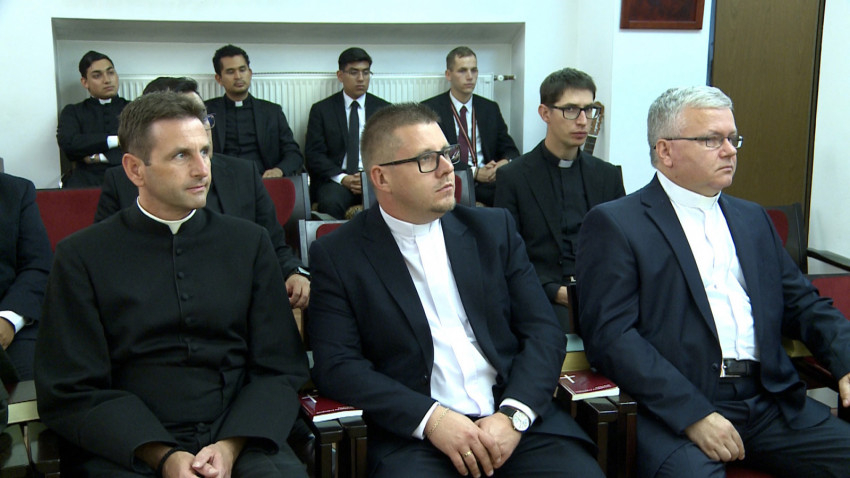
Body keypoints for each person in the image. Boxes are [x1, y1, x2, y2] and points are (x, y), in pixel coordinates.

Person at [307, 103, 603, 478]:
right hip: (416, 438)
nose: (448, 168)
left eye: (447, 153)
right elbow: (337, 366)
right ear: (381, 178)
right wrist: (432, 419)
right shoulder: (338, 254)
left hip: (515, 421)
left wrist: (514, 414)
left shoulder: (492, 230)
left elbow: (543, 331)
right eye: (427, 159)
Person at [576, 86, 850, 478]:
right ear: (665, 151)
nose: (729, 151)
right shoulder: (617, 223)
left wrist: (845, 361)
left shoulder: (752, 219)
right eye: (711, 139)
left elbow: (804, 304)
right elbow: (612, 337)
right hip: (675, 407)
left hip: (768, 399)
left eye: (732, 138)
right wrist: (693, 413)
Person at [35, 92, 309, 477]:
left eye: (205, 152)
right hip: (128, 442)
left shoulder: (249, 243)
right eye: (181, 155)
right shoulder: (81, 256)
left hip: (240, 432)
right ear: (135, 169)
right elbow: (70, 387)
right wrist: (163, 456)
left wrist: (230, 447)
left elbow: (280, 367)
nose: (202, 170)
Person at [95, 76, 310, 308]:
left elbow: (274, 245)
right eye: (181, 118)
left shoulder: (243, 173)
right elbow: (108, 258)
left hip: (237, 302)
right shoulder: (120, 181)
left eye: (201, 116)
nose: (198, 127)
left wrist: (295, 272)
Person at [494, 68, 624, 332]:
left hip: (600, 292)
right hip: (542, 294)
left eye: (589, 110)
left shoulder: (607, 175)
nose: (583, 121)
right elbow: (507, 254)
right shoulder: (514, 177)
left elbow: (622, 246)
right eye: (571, 110)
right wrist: (555, 291)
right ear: (545, 113)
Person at [421, 46, 519, 206]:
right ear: (448, 75)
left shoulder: (489, 108)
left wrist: (503, 164)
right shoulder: (431, 109)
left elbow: (511, 150)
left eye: (474, 70)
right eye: (462, 71)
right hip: (453, 178)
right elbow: (435, 155)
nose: (470, 77)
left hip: (489, 182)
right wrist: (474, 172)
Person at [305, 47, 390, 219]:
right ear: (340, 75)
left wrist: (369, 177)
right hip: (337, 179)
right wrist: (343, 178)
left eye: (366, 72)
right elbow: (314, 154)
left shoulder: (384, 109)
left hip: (374, 178)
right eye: (354, 72)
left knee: (394, 199)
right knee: (330, 202)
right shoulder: (322, 110)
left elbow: (391, 150)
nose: (361, 78)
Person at [205, 44, 303, 178]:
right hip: (222, 181)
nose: (238, 76)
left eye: (242, 70)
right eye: (230, 72)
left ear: (250, 73)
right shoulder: (207, 111)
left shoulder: (272, 112)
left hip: (262, 180)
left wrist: (279, 170)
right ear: (219, 79)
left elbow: (294, 153)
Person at [0, 172, 52, 380]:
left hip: (8, 315)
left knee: (34, 384)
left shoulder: (15, 191)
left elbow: (38, 266)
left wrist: (8, 319)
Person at [57, 50, 129, 188]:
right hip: (86, 179)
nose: (107, 80)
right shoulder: (73, 111)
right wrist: (117, 140)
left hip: (126, 176)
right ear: (85, 82)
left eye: (110, 72)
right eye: (97, 75)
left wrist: (99, 157)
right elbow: (69, 145)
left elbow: (142, 146)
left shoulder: (134, 108)